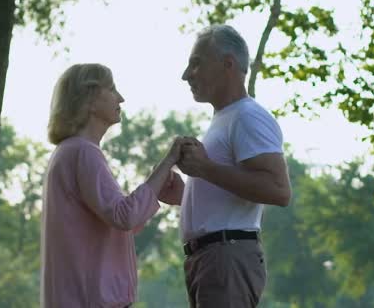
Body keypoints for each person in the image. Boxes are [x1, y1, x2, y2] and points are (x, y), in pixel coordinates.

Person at [41, 63, 184, 308]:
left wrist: (155, 189)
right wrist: (170, 160)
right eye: (112, 89)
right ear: (90, 98)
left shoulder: (68, 152)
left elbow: (114, 221)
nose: (121, 98)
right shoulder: (84, 153)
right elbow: (123, 216)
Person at [176, 25, 293, 308]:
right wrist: (184, 196)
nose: (186, 74)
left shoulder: (248, 116)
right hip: (211, 260)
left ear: (228, 64)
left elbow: (279, 191)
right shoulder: (226, 118)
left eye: (196, 63)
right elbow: (227, 191)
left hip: (225, 258)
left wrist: (205, 169)